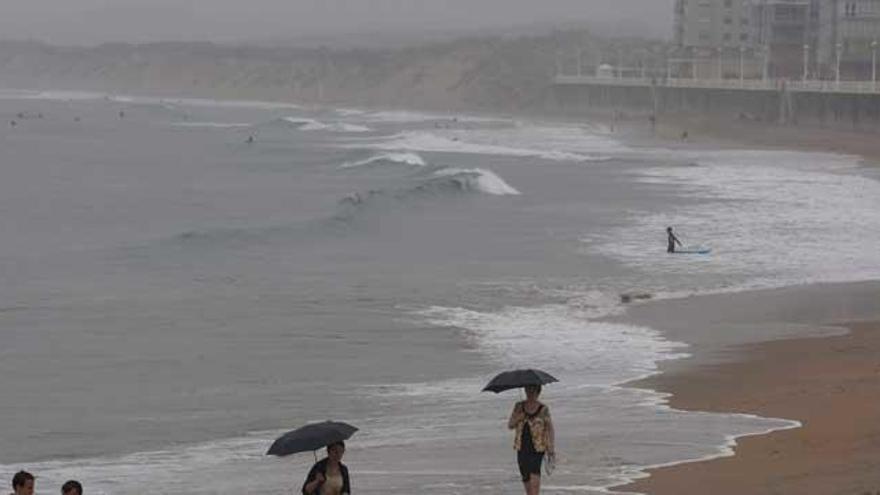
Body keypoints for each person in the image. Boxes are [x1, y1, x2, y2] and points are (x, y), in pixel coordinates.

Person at [508, 385, 555, 495]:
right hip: (522, 445)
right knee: (525, 476)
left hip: (538, 446)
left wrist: (551, 447)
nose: (530, 393)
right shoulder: (519, 406)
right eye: (528, 390)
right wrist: (518, 418)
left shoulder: (543, 409)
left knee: (534, 473)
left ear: (538, 392)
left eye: (533, 391)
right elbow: (510, 425)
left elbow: (549, 428)